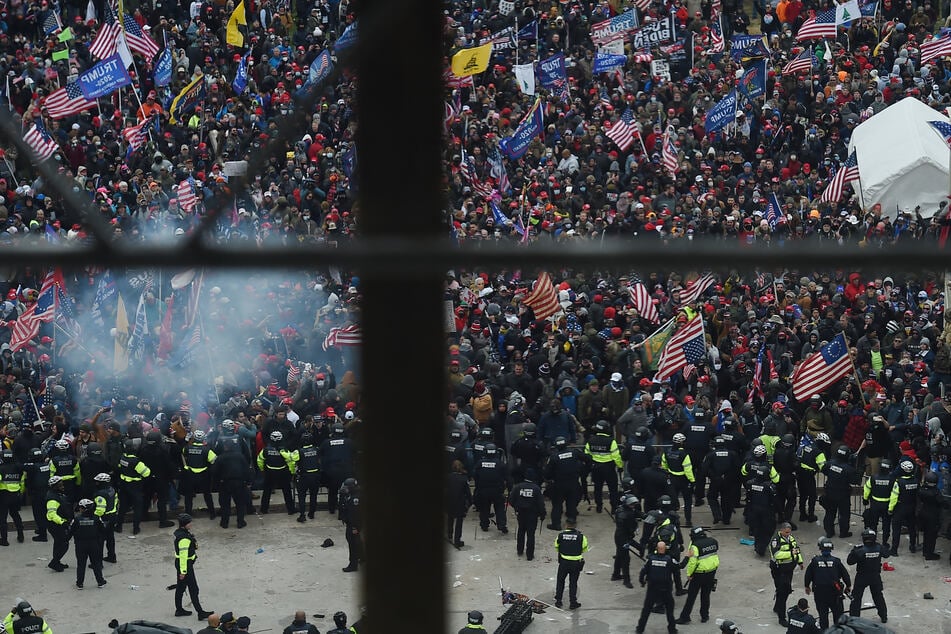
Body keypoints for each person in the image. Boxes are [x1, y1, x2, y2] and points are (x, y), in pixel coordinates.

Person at [804, 538, 851, 630]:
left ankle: (825, 632)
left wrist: (807, 586)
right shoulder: (836, 561)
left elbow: (808, 574)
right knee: (838, 616)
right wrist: (848, 586)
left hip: (820, 593)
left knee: (823, 616)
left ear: (820, 548)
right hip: (835, 593)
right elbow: (845, 574)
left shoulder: (815, 561)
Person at [173, 513, 213, 620]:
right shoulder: (184, 539)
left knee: (181, 588)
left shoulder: (181, 533)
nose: (191, 524)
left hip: (183, 565)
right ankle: (200, 613)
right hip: (185, 566)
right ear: (185, 524)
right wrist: (183, 571)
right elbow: (183, 556)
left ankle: (179, 609)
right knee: (193, 589)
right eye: (190, 522)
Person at [676, 526, 719, 625]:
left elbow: (692, 562)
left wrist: (689, 575)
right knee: (705, 595)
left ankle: (685, 617)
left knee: (691, 597)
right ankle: (705, 616)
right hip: (711, 572)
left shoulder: (695, 545)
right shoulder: (713, 541)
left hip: (698, 574)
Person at [636, 540, 679, 634]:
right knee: (670, 611)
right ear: (665, 549)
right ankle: (672, 629)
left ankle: (640, 629)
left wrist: (642, 581)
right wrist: (687, 557)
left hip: (652, 589)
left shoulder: (650, 559)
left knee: (646, 610)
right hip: (665, 589)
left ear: (657, 549)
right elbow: (679, 567)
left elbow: (643, 572)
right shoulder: (669, 560)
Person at [544, 436, 585, 530]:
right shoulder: (574, 452)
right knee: (571, 503)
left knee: (557, 504)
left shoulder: (554, 457)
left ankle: (556, 524)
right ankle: (571, 521)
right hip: (573, 482)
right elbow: (587, 459)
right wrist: (582, 471)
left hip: (559, 484)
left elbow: (547, 473)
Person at [846, 528, 888, 622]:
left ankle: (854, 619)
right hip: (875, 576)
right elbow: (887, 554)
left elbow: (850, 561)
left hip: (862, 576)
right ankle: (883, 616)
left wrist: (854, 551)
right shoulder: (879, 547)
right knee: (878, 596)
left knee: (856, 598)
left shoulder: (860, 550)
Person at [65, 498, 107, 588]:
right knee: (96, 564)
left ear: (83, 508)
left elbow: (70, 532)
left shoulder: (76, 519)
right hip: (94, 544)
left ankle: (80, 583)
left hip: (80, 545)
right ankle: (100, 581)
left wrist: (66, 540)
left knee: (81, 564)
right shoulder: (97, 518)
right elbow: (103, 530)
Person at [769, 522, 804, 626]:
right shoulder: (776, 540)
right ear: (781, 530)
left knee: (785, 591)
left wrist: (800, 561)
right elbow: (777, 554)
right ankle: (782, 618)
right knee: (783, 593)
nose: (788, 534)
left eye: (789, 532)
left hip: (789, 569)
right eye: (786, 532)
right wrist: (791, 554)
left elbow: (796, 550)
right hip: (779, 570)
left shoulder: (791, 538)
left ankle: (777, 607)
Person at [585, 420, 623, 514]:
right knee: (613, 489)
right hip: (609, 468)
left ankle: (599, 507)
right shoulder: (611, 441)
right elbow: (616, 456)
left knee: (597, 488)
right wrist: (620, 466)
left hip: (596, 468)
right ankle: (614, 508)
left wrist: (591, 465)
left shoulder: (590, 440)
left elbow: (586, 454)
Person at [257, 430, 299, 515]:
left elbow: (260, 460)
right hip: (282, 472)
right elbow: (290, 461)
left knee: (267, 492)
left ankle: (264, 509)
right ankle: (290, 509)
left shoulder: (265, 450)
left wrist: (262, 469)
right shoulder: (284, 450)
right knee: (287, 492)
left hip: (269, 472)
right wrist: (292, 472)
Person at [213, 440, 252, 529]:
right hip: (239, 483)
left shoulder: (220, 457)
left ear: (225, 447)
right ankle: (240, 522)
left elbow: (215, 472)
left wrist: (216, 484)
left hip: (225, 483)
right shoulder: (240, 456)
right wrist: (248, 482)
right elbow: (247, 469)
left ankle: (224, 522)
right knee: (240, 503)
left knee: (225, 504)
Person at [508, 469, 546, 560]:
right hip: (532, 515)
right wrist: (542, 514)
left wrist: (517, 508)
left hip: (521, 513)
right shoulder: (536, 488)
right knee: (531, 534)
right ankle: (530, 555)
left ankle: (520, 550)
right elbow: (541, 503)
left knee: (521, 531)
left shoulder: (518, 487)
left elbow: (511, 500)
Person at [116, 438, 151, 535]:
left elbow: (119, 468)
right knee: (137, 507)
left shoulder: (122, 458)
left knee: (122, 507)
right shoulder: (136, 462)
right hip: (135, 487)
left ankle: (118, 526)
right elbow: (146, 473)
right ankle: (136, 528)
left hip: (124, 485)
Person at [181, 429, 217, 520]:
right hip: (203, 476)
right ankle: (212, 513)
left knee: (188, 496)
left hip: (190, 475)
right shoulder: (207, 450)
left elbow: (182, 453)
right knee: (207, 494)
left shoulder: (187, 448)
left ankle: (188, 514)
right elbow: (214, 460)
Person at [821, 445, 856, 539]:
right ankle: (843, 532)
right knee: (844, 515)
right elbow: (854, 480)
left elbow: (824, 470)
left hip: (830, 492)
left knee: (829, 513)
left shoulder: (830, 463)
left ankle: (829, 532)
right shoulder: (848, 469)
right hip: (843, 495)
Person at [473, 443, 509, 534]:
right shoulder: (500, 464)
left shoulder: (480, 463)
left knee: (484, 508)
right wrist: (509, 488)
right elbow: (507, 477)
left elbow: (475, 475)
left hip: (483, 490)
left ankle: (484, 525)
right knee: (500, 508)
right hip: (497, 490)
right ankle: (501, 525)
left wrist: (478, 486)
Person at [553, 518, 588, 609]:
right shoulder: (581, 536)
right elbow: (584, 548)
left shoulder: (561, 535)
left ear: (566, 525)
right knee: (573, 583)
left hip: (564, 562)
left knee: (560, 581)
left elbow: (556, 546)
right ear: (575, 525)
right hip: (576, 563)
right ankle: (573, 602)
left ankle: (558, 601)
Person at [662, 432, 695, 525]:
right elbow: (688, 469)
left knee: (673, 500)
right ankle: (688, 520)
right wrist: (692, 480)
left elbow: (664, 464)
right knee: (688, 500)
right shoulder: (684, 454)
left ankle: (673, 519)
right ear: (682, 443)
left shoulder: (667, 451)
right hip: (684, 479)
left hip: (672, 478)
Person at [888, 457, 919, 556]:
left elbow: (894, 497)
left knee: (896, 529)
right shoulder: (916, 481)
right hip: (912, 507)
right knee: (912, 528)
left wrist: (890, 509)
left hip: (900, 508)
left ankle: (894, 550)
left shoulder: (899, 482)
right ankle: (913, 546)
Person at [862, 459, 894, 551]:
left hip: (875, 504)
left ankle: (872, 541)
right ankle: (884, 543)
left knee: (873, 524)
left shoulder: (873, 477)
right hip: (886, 505)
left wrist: (865, 499)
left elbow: (867, 489)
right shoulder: (892, 480)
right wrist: (891, 507)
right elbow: (894, 495)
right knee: (886, 525)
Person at [797, 433, 830, 523]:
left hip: (800, 473)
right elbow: (823, 468)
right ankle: (811, 515)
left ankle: (802, 514)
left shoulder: (807, 446)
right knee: (812, 495)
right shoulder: (819, 452)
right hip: (808, 475)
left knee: (803, 495)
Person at [612, 494, 640, 588]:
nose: (633, 505)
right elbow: (630, 528)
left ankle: (615, 575)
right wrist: (634, 530)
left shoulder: (621, 509)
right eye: (632, 504)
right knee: (625, 559)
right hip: (623, 538)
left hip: (620, 536)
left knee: (619, 556)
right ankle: (626, 580)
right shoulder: (627, 514)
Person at [46, 475, 72, 572]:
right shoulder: (52, 499)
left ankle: (57, 562)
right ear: (54, 486)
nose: (63, 487)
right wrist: (62, 522)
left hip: (59, 524)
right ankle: (54, 562)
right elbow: (52, 514)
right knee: (64, 544)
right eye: (60, 485)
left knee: (58, 543)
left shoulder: (58, 494)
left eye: (62, 484)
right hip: (56, 525)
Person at [294, 432, 321, 522]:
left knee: (302, 496)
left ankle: (302, 515)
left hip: (304, 476)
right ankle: (312, 513)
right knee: (313, 495)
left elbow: (291, 458)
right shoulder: (317, 449)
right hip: (316, 476)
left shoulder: (299, 451)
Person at [0, 448, 25, 545]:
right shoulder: (18, 467)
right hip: (16, 495)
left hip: (4, 496)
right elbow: (22, 482)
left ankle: (4, 540)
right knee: (16, 515)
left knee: (3, 518)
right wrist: (20, 493)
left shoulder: (1, 468)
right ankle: (21, 535)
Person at [92, 473, 118, 563]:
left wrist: (94, 518)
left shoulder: (100, 494)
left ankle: (98, 562)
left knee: (100, 541)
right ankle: (112, 556)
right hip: (113, 516)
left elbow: (100, 509)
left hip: (104, 518)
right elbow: (116, 502)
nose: (96, 483)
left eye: (98, 482)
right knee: (110, 538)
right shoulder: (112, 490)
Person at [918, 470, 943, 560]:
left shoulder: (921, 490)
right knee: (931, 536)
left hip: (923, 513)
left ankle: (925, 551)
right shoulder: (936, 492)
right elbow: (942, 503)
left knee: (925, 534)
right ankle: (929, 554)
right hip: (933, 516)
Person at [446, 459, 471, 549]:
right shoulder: (464, 479)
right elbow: (468, 493)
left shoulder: (448, 477)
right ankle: (457, 540)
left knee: (450, 518)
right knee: (459, 522)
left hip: (449, 501)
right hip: (459, 502)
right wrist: (470, 503)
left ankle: (449, 534)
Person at [339, 477, 362, 572]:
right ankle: (362, 557)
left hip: (353, 524)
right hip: (352, 523)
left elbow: (355, 515)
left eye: (347, 487)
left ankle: (353, 564)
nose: (345, 489)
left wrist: (354, 527)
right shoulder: (351, 495)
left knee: (353, 544)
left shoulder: (355, 499)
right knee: (357, 541)